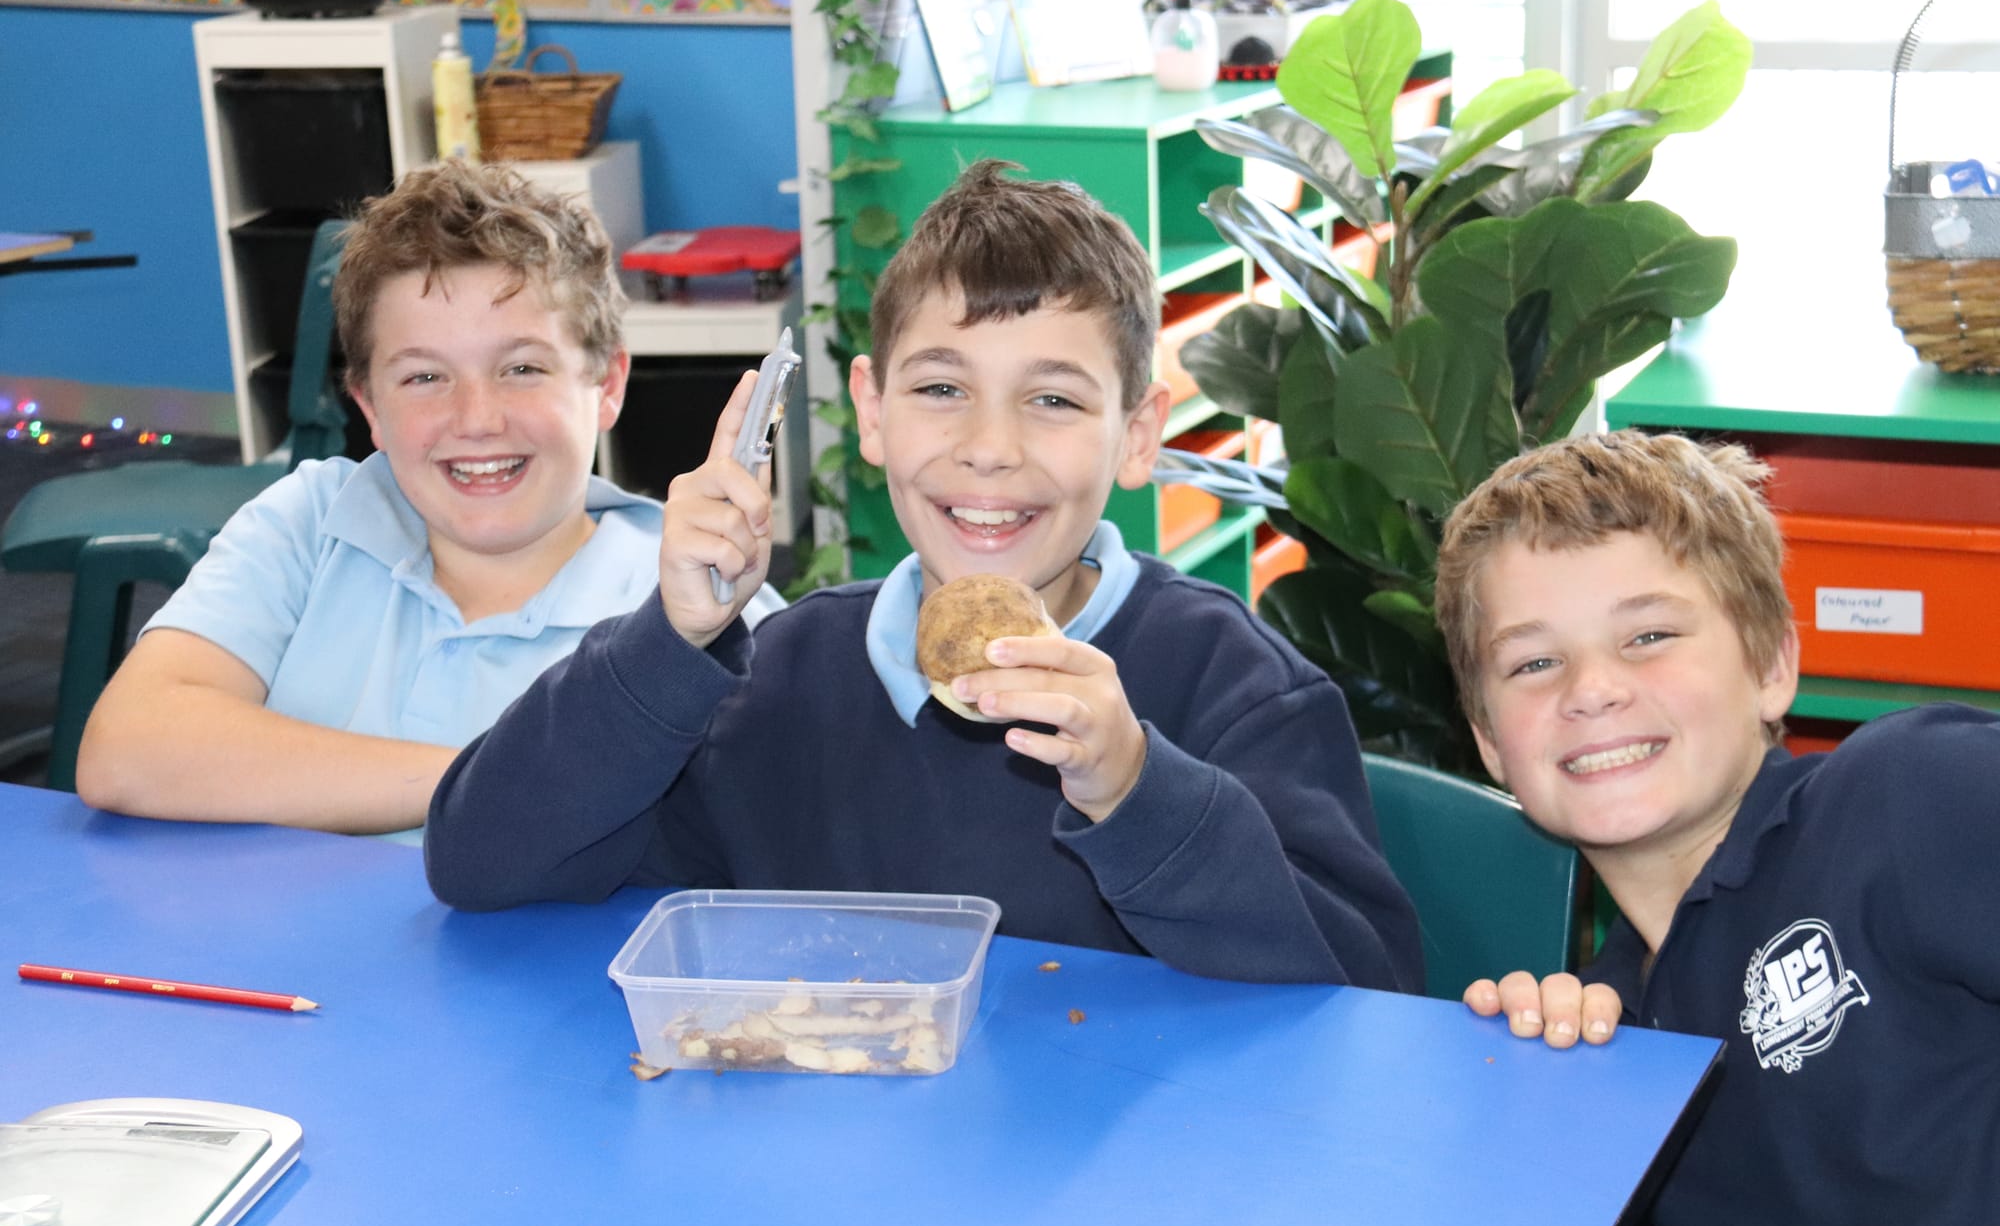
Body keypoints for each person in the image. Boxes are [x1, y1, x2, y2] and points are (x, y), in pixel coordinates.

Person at [425, 159, 1420, 989]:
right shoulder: (773, 682)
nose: (988, 447)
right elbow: (483, 862)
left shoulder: (1235, 687)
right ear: (871, 410)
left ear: (1137, 432)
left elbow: (1368, 993)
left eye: (1053, 399)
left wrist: (1134, 788)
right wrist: (669, 642)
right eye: (941, 387)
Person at [1432, 430, 2000, 1226]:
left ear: (1771, 665)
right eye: (1535, 661)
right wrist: (1545, 1128)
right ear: (1488, 741)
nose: (1591, 689)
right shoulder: (1602, 1031)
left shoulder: (1905, 797)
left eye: (1649, 634)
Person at [76, 163, 766, 841]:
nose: (477, 418)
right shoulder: (311, 525)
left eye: (522, 368)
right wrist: (490, 782)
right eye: (425, 377)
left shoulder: (700, 602)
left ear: (607, 384)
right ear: (370, 408)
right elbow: (126, 749)